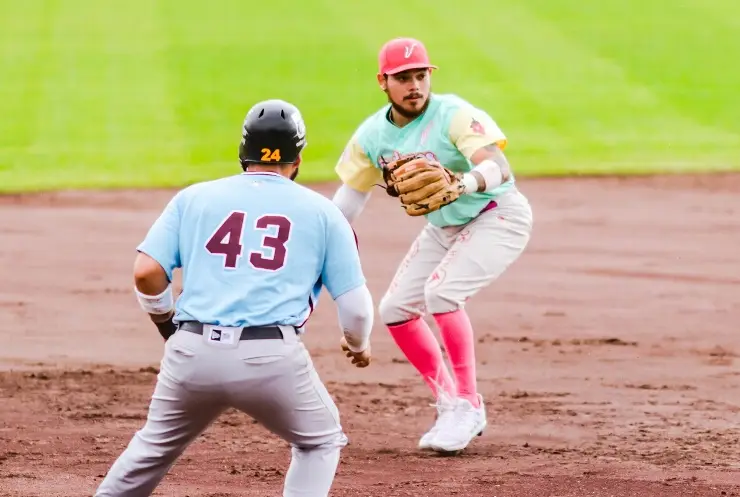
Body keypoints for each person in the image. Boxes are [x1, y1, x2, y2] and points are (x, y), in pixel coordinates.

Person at [94, 99, 374, 497]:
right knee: (319, 441)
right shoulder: (324, 213)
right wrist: (358, 345)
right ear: (298, 158)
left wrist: (166, 325)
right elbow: (356, 308)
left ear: (244, 153)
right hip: (270, 359)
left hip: (190, 352)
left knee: (151, 449)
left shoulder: (193, 198)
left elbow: (146, 272)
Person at [330, 37, 533, 454]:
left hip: (498, 214)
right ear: (382, 82)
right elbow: (350, 199)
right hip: (444, 228)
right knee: (395, 310)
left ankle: (469, 404)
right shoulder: (372, 135)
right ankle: (448, 401)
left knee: (442, 294)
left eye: (420, 75)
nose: (414, 85)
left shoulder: (454, 115)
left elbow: (499, 164)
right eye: (402, 78)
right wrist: (320, 239)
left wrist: (463, 183)